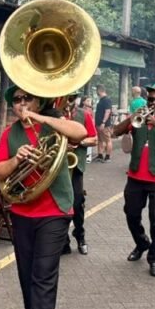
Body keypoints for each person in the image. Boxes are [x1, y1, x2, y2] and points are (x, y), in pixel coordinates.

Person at [0, 84, 87, 309]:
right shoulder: (11, 134)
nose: (21, 104)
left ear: (38, 101)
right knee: (26, 274)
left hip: (54, 211)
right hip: (23, 210)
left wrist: (43, 118)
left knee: (43, 274)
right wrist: (17, 158)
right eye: (17, 100)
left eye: (27, 99)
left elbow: (81, 133)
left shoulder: (54, 127)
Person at [112, 82, 155, 277]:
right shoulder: (140, 114)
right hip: (136, 175)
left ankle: (154, 258)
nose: (153, 103)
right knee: (131, 214)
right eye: (151, 99)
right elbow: (116, 131)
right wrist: (132, 117)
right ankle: (141, 243)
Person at [62, 93, 97, 255]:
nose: (67, 101)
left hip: (75, 166)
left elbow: (94, 139)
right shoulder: (56, 115)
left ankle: (80, 236)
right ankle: (63, 241)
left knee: (77, 202)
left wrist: (78, 142)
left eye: (70, 98)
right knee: (61, 204)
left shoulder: (84, 115)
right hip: (58, 166)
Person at [93, 85, 113, 162]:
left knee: (107, 139)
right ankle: (100, 155)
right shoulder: (101, 100)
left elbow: (107, 111)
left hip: (104, 124)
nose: (96, 93)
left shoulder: (106, 100)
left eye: (96, 91)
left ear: (99, 91)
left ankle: (108, 156)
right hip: (99, 123)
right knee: (100, 139)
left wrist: (103, 122)